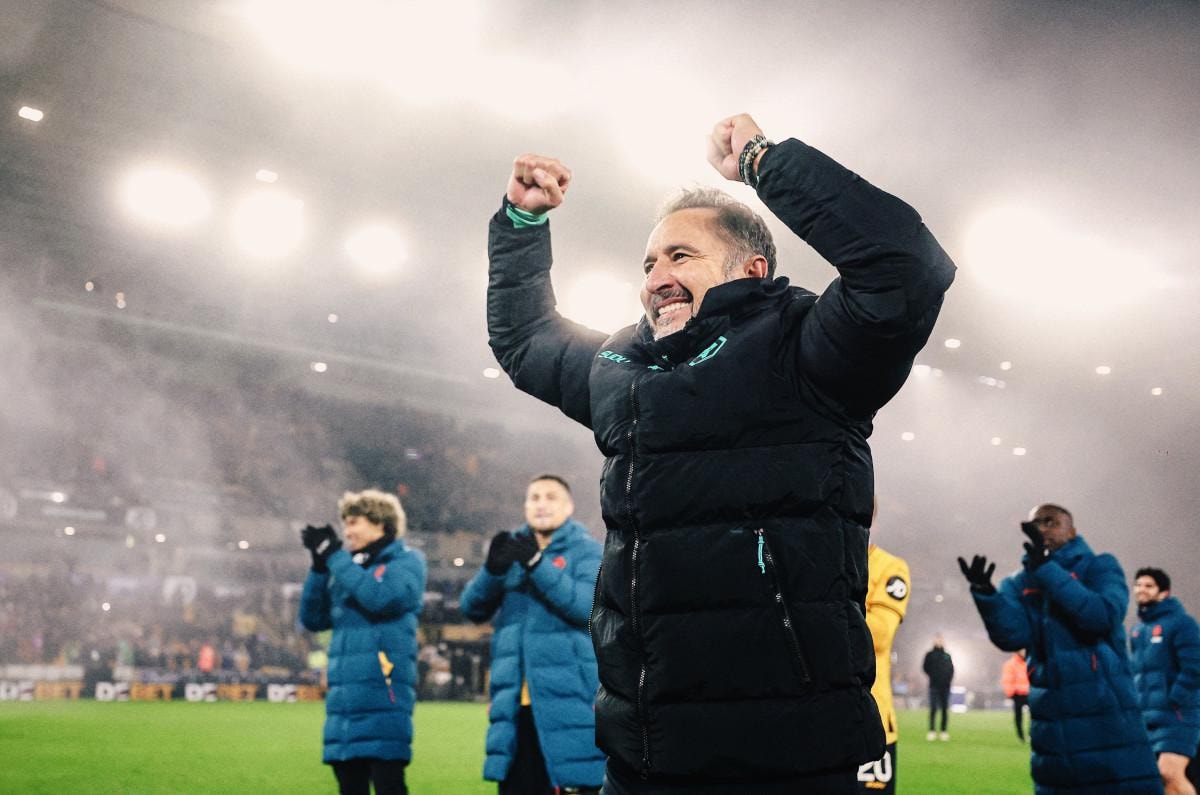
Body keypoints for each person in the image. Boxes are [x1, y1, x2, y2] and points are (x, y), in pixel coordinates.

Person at [486, 113, 955, 793]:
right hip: (644, 759)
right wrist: (522, 224)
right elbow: (525, 340)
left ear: (752, 270)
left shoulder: (807, 346)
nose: (656, 278)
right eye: (649, 263)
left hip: (790, 759)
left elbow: (908, 266)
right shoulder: (621, 365)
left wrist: (766, 161)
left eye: (681, 256)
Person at [959, 503, 1161, 794]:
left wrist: (1046, 569)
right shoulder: (1018, 583)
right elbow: (1011, 637)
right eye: (1036, 524)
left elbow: (1101, 617)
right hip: (1054, 731)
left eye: (1051, 522)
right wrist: (986, 594)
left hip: (1108, 723)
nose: (1043, 529)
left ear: (1072, 531)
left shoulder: (1100, 566)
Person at [459, 474, 605, 795]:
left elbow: (586, 607)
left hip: (569, 700)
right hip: (515, 703)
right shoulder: (512, 550)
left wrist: (538, 564)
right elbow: (471, 609)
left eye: (551, 497)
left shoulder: (587, 551)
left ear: (569, 507)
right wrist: (491, 571)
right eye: (534, 498)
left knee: (573, 782)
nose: (541, 504)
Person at [298, 489, 426, 795]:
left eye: (354, 522)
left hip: (384, 698)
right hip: (345, 704)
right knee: (349, 787)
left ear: (380, 523)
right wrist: (319, 568)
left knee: (389, 785)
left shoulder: (407, 561)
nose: (347, 532)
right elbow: (313, 619)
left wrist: (335, 557)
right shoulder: (348, 568)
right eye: (345, 524)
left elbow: (381, 598)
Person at [1131, 567, 1200, 795]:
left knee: (1169, 772)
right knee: (1157, 780)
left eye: (1148, 586)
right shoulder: (1138, 630)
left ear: (1164, 593)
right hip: (1148, 717)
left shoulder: (1182, 624)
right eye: (1138, 585)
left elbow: (1194, 666)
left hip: (1178, 715)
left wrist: (1175, 699)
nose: (1141, 590)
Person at [860, 510, 910, 793]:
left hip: (871, 718)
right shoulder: (817, 562)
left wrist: (823, 609)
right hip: (817, 719)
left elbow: (878, 636)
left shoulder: (889, 567)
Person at [921, 635, 954, 741]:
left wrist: (947, 680)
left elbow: (951, 669)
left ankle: (944, 731)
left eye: (941, 640)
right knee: (933, 708)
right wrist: (933, 675)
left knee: (944, 709)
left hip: (945, 687)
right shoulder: (929, 655)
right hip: (934, 685)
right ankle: (932, 731)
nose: (939, 642)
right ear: (934, 641)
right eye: (938, 640)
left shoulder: (947, 655)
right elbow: (925, 667)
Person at [1001, 650, 1031, 742]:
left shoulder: (1030, 661)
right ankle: (1020, 736)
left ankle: (1032, 734)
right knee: (1018, 715)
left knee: (1035, 715)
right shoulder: (1011, 664)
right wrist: (1010, 692)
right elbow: (1007, 679)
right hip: (1017, 694)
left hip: (1030, 692)